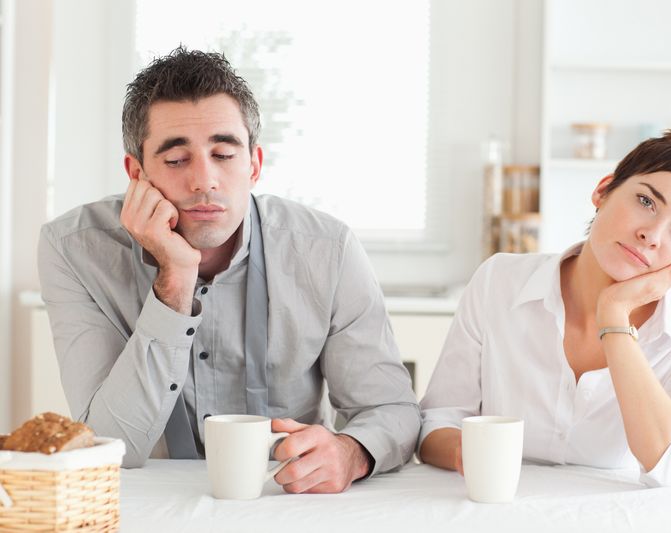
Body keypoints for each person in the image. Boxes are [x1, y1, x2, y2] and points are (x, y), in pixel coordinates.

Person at [37, 46, 420, 494]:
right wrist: (176, 279)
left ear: (254, 165)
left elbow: (392, 409)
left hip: (288, 499)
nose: (205, 181)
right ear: (136, 174)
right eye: (177, 160)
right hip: (148, 505)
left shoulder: (326, 249)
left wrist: (351, 451)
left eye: (223, 154)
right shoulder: (73, 249)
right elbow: (109, 446)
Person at [418, 130, 671, 487]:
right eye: (646, 201)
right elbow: (437, 423)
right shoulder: (499, 281)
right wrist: (473, 454)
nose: (652, 234)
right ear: (603, 190)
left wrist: (614, 313)